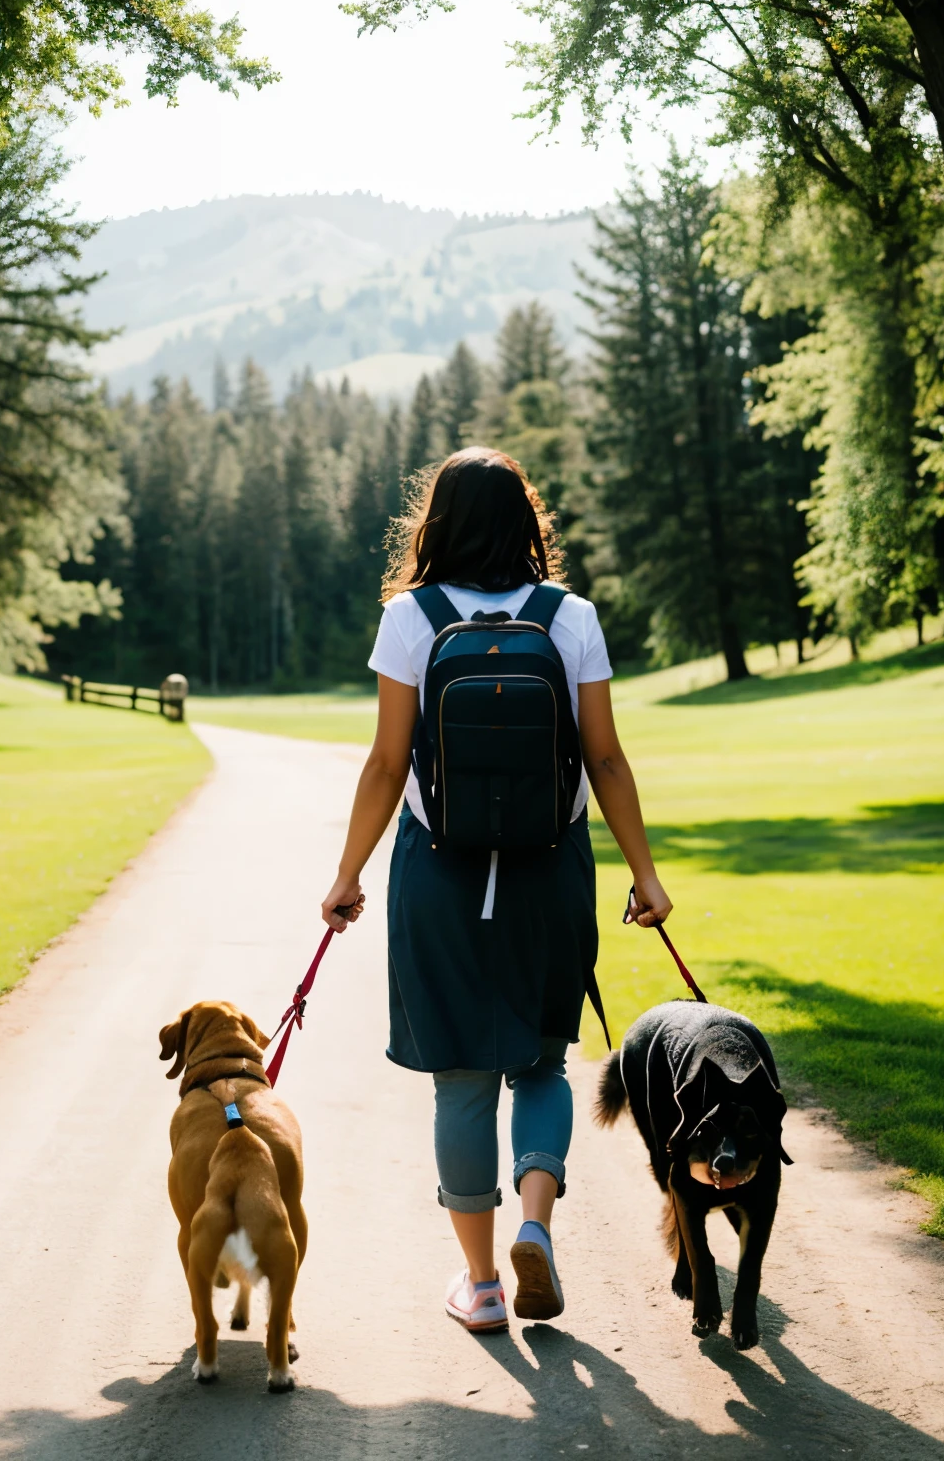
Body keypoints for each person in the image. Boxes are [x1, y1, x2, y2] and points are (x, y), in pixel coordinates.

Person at [321, 447, 671, 1334]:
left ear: (435, 520)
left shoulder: (411, 618)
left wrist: (347, 876)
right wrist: (646, 877)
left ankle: (479, 1286)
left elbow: (386, 762)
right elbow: (606, 758)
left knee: (462, 1084)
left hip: (438, 873)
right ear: (526, 520)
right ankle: (535, 1226)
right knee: (542, 1062)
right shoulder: (571, 616)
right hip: (549, 870)